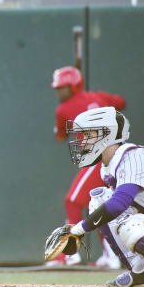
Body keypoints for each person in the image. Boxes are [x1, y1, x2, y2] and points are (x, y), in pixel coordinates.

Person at [65, 106, 144, 287]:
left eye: (88, 134)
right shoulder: (109, 165)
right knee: (99, 199)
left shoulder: (133, 157)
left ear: (108, 134)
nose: (82, 142)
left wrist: (79, 229)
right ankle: (143, 270)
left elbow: (119, 204)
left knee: (133, 227)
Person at [48, 66, 126, 267]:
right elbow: (120, 102)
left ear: (74, 87)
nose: (59, 92)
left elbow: (60, 136)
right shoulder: (98, 96)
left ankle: (69, 253)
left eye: (62, 88)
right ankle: (112, 255)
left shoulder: (63, 109)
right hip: (115, 154)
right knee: (99, 205)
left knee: (73, 200)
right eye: (57, 88)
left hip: (98, 156)